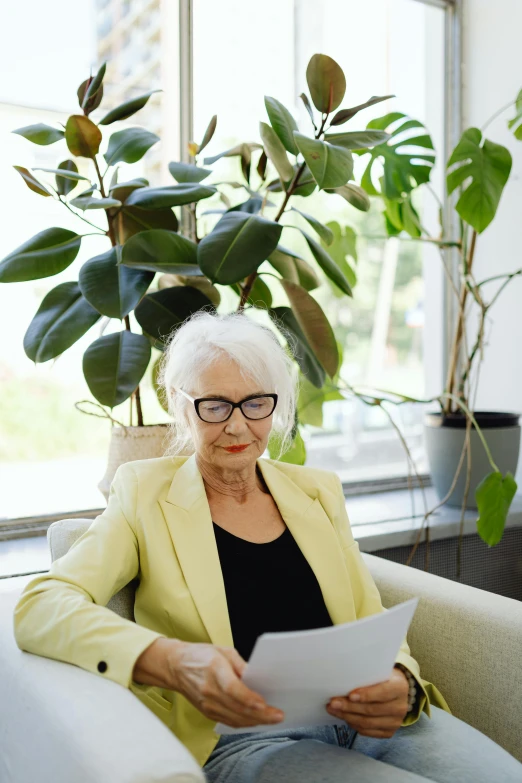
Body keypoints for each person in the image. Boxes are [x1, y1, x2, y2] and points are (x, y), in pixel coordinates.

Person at [13, 312, 522, 782]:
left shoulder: (316, 490)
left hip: (375, 723)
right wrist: (170, 661)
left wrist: (401, 684)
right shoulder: (144, 493)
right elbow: (42, 605)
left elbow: (370, 618)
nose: (238, 425)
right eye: (214, 406)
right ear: (179, 404)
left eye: (257, 402)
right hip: (246, 741)